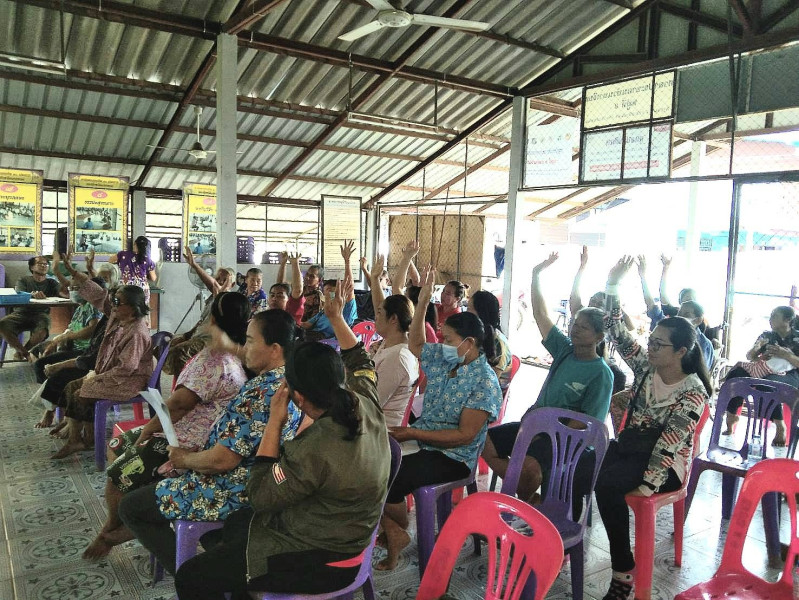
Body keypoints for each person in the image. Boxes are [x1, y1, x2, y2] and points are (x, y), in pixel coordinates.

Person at [172, 279, 391, 599]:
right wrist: (335, 318)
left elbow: (260, 494)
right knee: (237, 524)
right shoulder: (366, 401)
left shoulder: (314, 447)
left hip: (322, 556)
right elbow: (359, 359)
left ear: (297, 396)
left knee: (191, 577)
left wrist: (274, 423)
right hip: (351, 531)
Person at [117, 309, 303, 576]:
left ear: (274, 349)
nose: (244, 348)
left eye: (250, 341)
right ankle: (218, 561)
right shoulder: (288, 381)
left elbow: (223, 460)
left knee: (131, 507)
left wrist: (184, 458)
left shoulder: (261, 392)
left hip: (234, 488)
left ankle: (190, 576)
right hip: (259, 481)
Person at [82, 292, 250, 560]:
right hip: (194, 434)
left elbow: (178, 407)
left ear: (212, 318)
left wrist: (147, 431)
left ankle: (111, 530)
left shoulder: (215, 360)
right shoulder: (235, 354)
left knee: (117, 475)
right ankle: (126, 515)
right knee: (117, 445)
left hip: (184, 441)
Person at [596, 256, 711, 600]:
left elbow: (669, 442)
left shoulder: (693, 391)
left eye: (659, 344)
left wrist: (648, 485)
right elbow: (617, 332)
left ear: (681, 351)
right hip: (633, 448)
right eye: (651, 340)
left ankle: (623, 571)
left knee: (607, 485)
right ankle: (559, 542)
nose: (650, 347)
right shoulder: (648, 367)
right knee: (581, 468)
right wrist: (612, 283)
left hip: (666, 467)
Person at [378, 266, 501, 571]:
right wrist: (422, 302)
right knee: (371, 463)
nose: (442, 344)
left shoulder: (484, 381)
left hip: (453, 456)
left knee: (389, 477)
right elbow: (417, 344)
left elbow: (463, 436)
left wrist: (412, 434)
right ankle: (394, 531)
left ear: (468, 343)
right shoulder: (449, 360)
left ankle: (396, 532)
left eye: (448, 339)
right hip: (424, 441)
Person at [481, 253, 613, 502]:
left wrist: (547, 432)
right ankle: (530, 499)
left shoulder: (601, 373)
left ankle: (523, 493)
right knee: (482, 439)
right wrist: (536, 275)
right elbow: (541, 314)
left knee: (529, 469)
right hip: (535, 426)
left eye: (583, 327)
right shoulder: (565, 350)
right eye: (574, 324)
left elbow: (588, 423)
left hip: (565, 438)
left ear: (599, 337)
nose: (575, 329)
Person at [51, 274, 153, 459]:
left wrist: (97, 377)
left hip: (129, 381)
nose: (113, 305)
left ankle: (78, 439)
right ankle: (83, 436)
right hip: (112, 374)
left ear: (132, 307)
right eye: (114, 300)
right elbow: (100, 297)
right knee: (72, 386)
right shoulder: (119, 318)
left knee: (82, 392)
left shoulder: (136, 332)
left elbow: (126, 369)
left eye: (117, 302)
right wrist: (75, 273)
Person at [722, 305, 799, 446]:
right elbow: (751, 357)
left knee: (768, 382)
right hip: (765, 368)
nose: (770, 319)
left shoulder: (797, 337)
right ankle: (731, 415)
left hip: (791, 374)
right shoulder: (767, 336)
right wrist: (756, 352)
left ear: (787, 320)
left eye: (775, 316)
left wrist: (786, 355)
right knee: (736, 375)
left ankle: (780, 425)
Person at [162, 247, 236, 376]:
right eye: (218, 278)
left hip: (210, 341)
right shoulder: (213, 297)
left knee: (179, 352)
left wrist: (195, 266)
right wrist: (186, 335)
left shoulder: (229, 300)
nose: (220, 282)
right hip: (199, 336)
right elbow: (201, 321)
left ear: (232, 284)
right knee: (164, 347)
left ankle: (186, 382)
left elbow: (213, 285)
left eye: (224, 280)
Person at [368, 255, 418, 427]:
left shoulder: (397, 358)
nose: (376, 317)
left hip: (382, 430)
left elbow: (371, 404)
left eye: (379, 314)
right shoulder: (391, 343)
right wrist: (374, 279)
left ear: (393, 319)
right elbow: (380, 304)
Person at [0, 256, 65, 361]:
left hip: (40, 315)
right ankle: (26, 354)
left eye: (46, 264)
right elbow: (19, 294)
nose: (44, 266)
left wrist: (58, 272)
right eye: (40, 264)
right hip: (20, 313)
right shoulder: (23, 280)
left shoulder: (52, 283)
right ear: (32, 267)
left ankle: (23, 352)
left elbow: (65, 294)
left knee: (42, 331)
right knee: (2, 325)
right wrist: (31, 294)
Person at [300, 241, 357, 340]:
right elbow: (306, 324)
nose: (328, 294)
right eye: (326, 291)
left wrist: (347, 261)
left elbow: (349, 284)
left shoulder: (347, 307)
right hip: (312, 336)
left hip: (330, 341)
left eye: (330, 290)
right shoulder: (324, 311)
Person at [467, 290, 512, 385]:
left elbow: (489, 381)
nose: (466, 313)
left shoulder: (498, 344)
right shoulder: (476, 333)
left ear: (481, 313)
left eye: (469, 308)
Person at [109, 235, 157, 305]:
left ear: (134, 244)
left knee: (123, 306)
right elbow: (153, 278)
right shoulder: (148, 260)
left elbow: (110, 260)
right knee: (141, 308)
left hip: (125, 288)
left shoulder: (123, 254)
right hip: (141, 290)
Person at [275, 252, 306, 324]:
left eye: (280, 296)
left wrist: (295, 264)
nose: (275, 298)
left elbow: (298, 290)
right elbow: (279, 286)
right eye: (272, 295)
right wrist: (283, 263)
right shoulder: (272, 310)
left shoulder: (291, 309)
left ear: (288, 299)